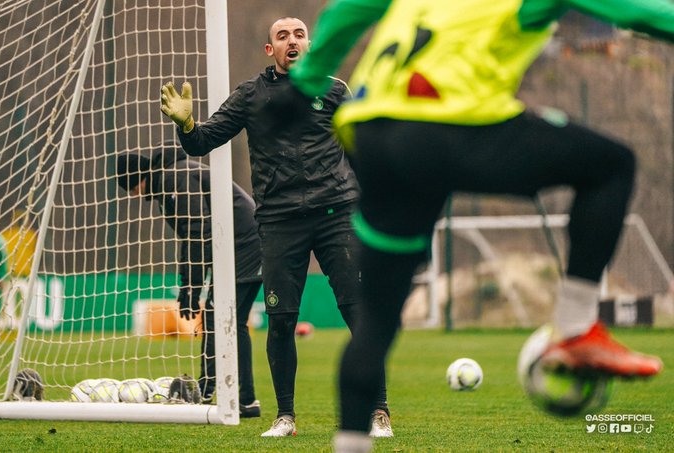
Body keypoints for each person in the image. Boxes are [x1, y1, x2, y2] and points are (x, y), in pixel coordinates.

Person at [276, 0, 671, 451]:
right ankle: (576, 327)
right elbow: (642, 14)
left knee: (377, 319)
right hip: (452, 124)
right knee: (611, 166)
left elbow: (350, 9)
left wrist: (305, 82)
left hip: (375, 137)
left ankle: (350, 445)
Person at [160, 16, 392, 438]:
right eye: (282, 36)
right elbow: (202, 141)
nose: (292, 41)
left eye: (299, 34)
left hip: (336, 213)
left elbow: (362, 148)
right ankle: (285, 417)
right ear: (271, 50)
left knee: (357, 312)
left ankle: (378, 412)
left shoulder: (333, 90)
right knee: (281, 321)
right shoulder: (251, 95)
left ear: (309, 44)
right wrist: (187, 125)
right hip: (280, 222)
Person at [116, 141, 263, 417]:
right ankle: (239, 398)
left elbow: (198, 230)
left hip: (245, 246)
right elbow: (190, 237)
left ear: (136, 179)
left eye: (129, 187)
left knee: (221, 318)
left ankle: (217, 393)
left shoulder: (175, 178)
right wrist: (188, 286)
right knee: (226, 319)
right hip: (240, 245)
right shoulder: (171, 181)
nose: (132, 194)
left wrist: (194, 288)